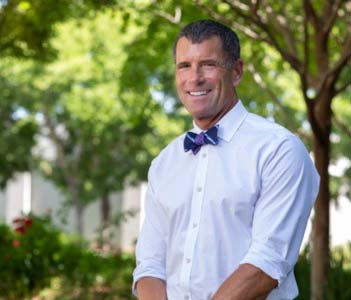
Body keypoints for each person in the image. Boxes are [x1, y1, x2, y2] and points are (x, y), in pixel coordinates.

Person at [132, 20, 320, 300]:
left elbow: (267, 262)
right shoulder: (164, 162)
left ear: (236, 72)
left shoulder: (279, 150)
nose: (194, 78)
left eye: (208, 64)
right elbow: (150, 265)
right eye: (184, 66)